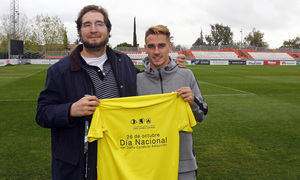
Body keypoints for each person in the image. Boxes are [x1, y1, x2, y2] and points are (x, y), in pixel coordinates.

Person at [36, 5, 186, 180]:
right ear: (80, 30)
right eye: (87, 25)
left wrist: (173, 67)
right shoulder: (60, 70)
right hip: (78, 168)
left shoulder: (124, 63)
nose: (93, 30)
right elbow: (42, 114)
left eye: (99, 24)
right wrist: (70, 110)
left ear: (108, 29)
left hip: (120, 162)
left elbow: (150, 82)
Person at [137, 25, 208, 180]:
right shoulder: (137, 80)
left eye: (161, 46)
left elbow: (202, 115)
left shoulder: (186, 75)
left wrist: (193, 101)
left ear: (169, 47)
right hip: (149, 167)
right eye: (151, 46)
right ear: (145, 49)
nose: (156, 51)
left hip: (183, 166)